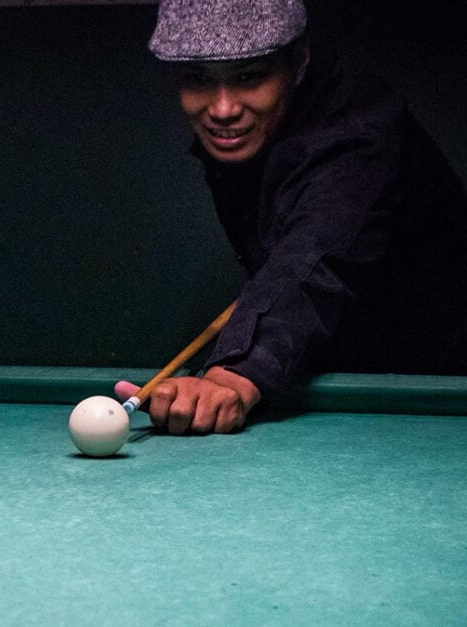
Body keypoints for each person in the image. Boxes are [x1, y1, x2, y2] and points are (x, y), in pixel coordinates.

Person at [115, 0, 467, 435]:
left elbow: (317, 256)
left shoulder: (356, 133)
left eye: (249, 76)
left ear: (298, 63)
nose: (222, 108)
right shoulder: (256, 131)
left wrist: (234, 373)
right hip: (355, 374)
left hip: (444, 388)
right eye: (198, 79)